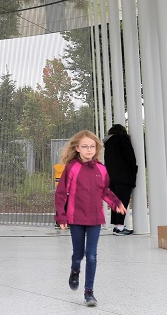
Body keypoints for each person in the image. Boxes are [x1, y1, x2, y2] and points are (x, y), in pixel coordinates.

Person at [54, 130, 126, 307]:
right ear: (77, 148)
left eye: (92, 146)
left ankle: (89, 292)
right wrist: (61, 216)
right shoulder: (72, 168)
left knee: (91, 255)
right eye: (85, 146)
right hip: (76, 218)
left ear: (97, 148)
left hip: (95, 219)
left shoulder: (101, 169)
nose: (88, 149)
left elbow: (105, 191)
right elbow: (61, 193)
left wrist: (115, 202)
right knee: (78, 254)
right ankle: (75, 269)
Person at [103, 123, 138, 235]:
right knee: (123, 201)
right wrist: (134, 170)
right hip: (124, 176)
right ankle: (120, 228)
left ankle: (116, 226)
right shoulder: (123, 140)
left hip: (111, 177)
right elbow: (130, 158)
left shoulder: (108, 143)